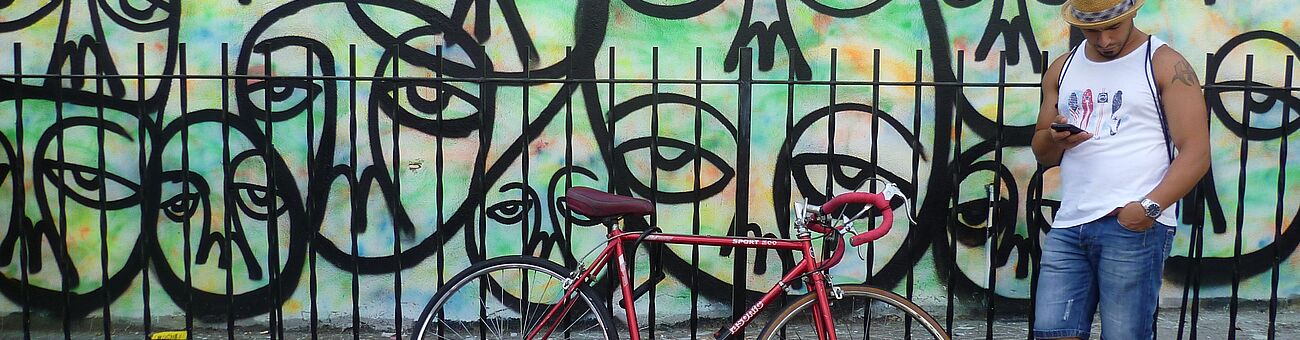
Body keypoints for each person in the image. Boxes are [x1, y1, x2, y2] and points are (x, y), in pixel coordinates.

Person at [1031, 0, 1210, 338]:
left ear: (1132, 15)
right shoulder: (1062, 68)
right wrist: (1057, 139)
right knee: (1052, 333)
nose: (1105, 40)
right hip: (1070, 226)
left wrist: (1147, 210)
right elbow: (1043, 152)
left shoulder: (1163, 63)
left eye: (1113, 27)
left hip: (1132, 227)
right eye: (1092, 31)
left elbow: (1197, 153)